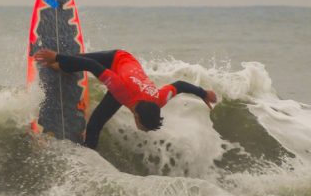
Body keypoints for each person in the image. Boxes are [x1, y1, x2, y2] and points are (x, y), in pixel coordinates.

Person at [34, 48, 217, 149]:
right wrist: (57, 57)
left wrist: (204, 94)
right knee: (69, 62)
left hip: (126, 86)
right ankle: (57, 60)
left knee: (96, 124)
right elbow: (91, 65)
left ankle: (87, 153)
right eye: (143, 127)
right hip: (118, 59)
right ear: (136, 116)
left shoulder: (159, 99)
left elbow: (180, 85)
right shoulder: (120, 89)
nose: (142, 130)